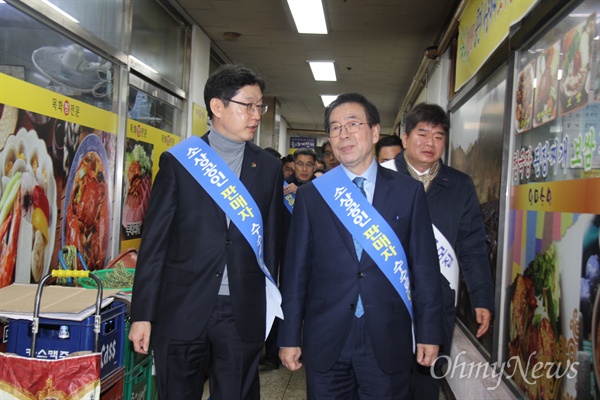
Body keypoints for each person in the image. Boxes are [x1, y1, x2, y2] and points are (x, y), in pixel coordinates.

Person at [128, 63, 283, 400]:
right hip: (182, 306)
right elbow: (154, 245)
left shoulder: (268, 167)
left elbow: (271, 245)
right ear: (217, 106)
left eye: (260, 106)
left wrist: (272, 315)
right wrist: (142, 315)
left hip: (242, 310)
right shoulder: (180, 161)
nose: (256, 115)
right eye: (248, 105)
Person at [278, 92, 443, 399]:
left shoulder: (408, 193)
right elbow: (296, 272)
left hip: (388, 335)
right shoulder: (313, 196)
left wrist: (429, 333)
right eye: (335, 128)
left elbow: (425, 270)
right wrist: (289, 336)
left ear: (375, 132)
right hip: (327, 337)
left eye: (353, 124)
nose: (344, 134)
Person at [382, 102, 494, 400]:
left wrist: (482, 298)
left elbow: (472, 246)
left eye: (438, 136)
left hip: (438, 301)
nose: (430, 143)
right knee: (383, 381)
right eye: (422, 134)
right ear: (404, 139)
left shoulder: (459, 185)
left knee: (426, 382)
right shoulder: (380, 178)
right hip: (386, 298)